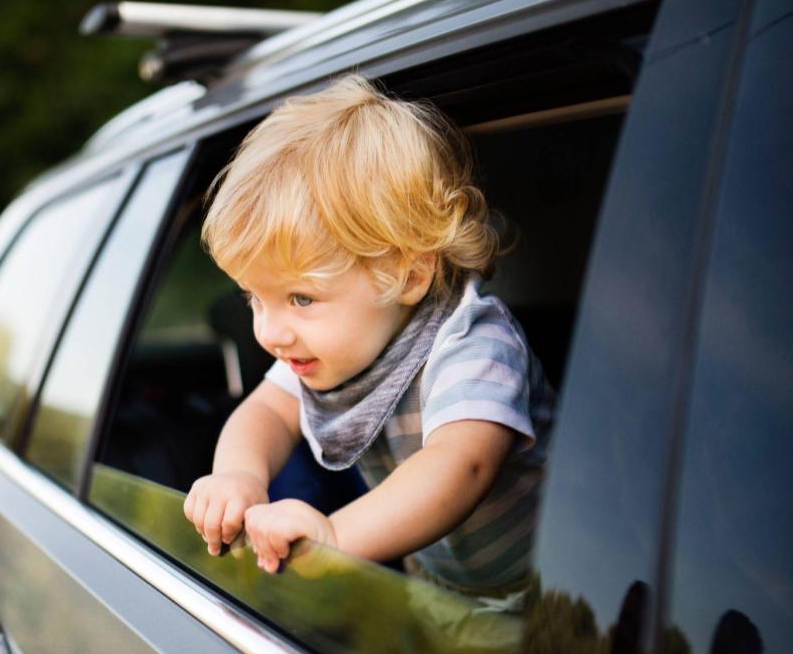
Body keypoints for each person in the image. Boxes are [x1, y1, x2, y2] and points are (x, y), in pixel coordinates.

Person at [182, 74, 555, 602]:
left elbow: (460, 464)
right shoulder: (317, 350)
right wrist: (239, 476)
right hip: (439, 587)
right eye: (253, 299)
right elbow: (266, 411)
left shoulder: (474, 345)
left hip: (546, 592)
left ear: (408, 275)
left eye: (301, 299)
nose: (268, 333)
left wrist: (336, 537)